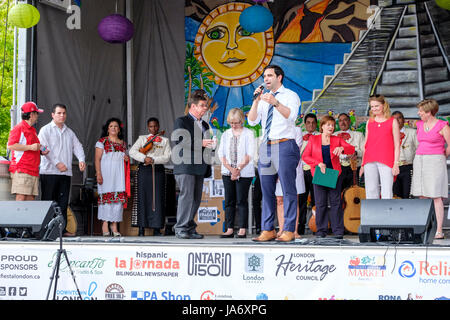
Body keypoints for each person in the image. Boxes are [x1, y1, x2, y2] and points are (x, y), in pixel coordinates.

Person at [248, 65, 301, 242]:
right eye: (264, 76)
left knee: (288, 190)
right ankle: (268, 229)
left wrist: (275, 102)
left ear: (279, 77)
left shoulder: (290, 96)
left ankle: (288, 230)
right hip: (266, 146)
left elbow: (292, 116)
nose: (266, 79)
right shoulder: (262, 98)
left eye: (270, 75)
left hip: (285, 144)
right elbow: (252, 121)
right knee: (267, 190)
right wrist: (256, 100)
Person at [302, 115, 355, 238]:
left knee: (336, 203)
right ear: (322, 127)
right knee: (320, 204)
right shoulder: (313, 139)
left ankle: (338, 231)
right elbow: (305, 156)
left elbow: (351, 149)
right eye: (328, 125)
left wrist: (342, 147)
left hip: (334, 174)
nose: (331, 127)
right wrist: (317, 163)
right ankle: (321, 231)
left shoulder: (337, 139)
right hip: (320, 173)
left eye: (332, 125)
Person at [38, 103, 86, 237]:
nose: (62, 115)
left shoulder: (69, 132)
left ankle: (61, 230)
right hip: (49, 172)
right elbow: (43, 149)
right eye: (59, 113)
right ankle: (46, 230)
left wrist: (81, 159)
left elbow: (78, 146)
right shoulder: (45, 130)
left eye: (64, 113)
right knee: (48, 202)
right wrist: (57, 163)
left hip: (65, 173)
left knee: (63, 203)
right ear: (52, 115)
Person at [172, 89, 214, 239]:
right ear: (193, 106)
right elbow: (180, 140)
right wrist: (201, 142)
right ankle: (180, 227)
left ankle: (189, 227)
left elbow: (205, 146)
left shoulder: (205, 125)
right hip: (185, 165)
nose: (205, 108)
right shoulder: (182, 121)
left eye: (205, 105)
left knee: (196, 199)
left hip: (200, 166)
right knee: (187, 196)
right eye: (202, 105)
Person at [411, 99, 450, 240]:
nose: (418, 113)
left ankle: (439, 230)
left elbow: (449, 145)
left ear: (429, 112)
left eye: (421, 111)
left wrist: (440, 155)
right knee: (422, 195)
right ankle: (425, 227)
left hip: (435, 160)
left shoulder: (442, 125)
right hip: (420, 159)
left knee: (436, 195)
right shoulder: (419, 124)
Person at [129, 117, 171, 236]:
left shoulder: (164, 140)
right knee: (142, 199)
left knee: (157, 199)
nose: (154, 128)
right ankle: (141, 228)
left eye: (156, 126)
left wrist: (153, 159)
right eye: (151, 126)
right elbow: (132, 152)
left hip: (158, 170)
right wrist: (144, 158)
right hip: (144, 170)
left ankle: (157, 228)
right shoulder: (142, 139)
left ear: (158, 126)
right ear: (148, 127)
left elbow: (167, 157)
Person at [217, 108, 255, 238]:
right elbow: (221, 154)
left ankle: (242, 229)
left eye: (236, 123)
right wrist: (231, 169)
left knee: (241, 200)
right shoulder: (226, 134)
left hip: (244, 173)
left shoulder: (248, 133)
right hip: (227, 172)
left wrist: (238, 169)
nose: (234, 125)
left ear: (242, 121)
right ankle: (229, 228)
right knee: (229, 201)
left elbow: (249, 154)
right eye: (231, 123)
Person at [360, 95, 400, 199]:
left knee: (387, 191)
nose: (374, 109)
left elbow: (397, 145)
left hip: (386, 160)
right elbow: (366, 144)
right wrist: (363, 165)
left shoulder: (392, 121)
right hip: (369, 160)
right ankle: (373, 215)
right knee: (370, 191)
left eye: (376, 106)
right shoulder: (370, 122)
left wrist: (396, 164)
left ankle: (387, 215)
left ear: (383, 105)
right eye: (372, 106)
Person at [95, 118, 129, 237]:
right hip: (106, 174)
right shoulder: (102, 142)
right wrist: (98, 173)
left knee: (117, 201)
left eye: (116, 126)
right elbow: (97, 159)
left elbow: (124, 159)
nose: (113, 128)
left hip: (118, 175)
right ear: (107, 129)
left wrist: (126, 159)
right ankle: (105, 224)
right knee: (105, 200)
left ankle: (114, 225)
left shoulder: (123, 144)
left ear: (119, 129)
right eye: (111, 126)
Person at [7, 102, 48, 201]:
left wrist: (41, 151)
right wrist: (31, 147)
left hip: (32, 170)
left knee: (30, 200)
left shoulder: (32, 130)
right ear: (31, 115)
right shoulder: (19, 128)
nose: (38, 116)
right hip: (22, 168)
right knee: (21, 197)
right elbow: (11, 145)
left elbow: (34, 147)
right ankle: (17, 217)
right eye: (37, 113)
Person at [275, 125, 305, 239]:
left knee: (293, 198)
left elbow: (296, 149)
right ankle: (282, 229)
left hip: (293, 167)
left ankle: (293, 230)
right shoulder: (275, 129)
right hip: (277, 167)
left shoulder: (296, 130)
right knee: (279, 200)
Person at [298, 113, 319, 234]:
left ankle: (317, 227)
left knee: (316, 200)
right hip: (301, 171)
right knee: (301, 200)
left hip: (316, 171)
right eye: (308, 123)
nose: (311, 125)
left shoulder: (321, 136)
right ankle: (300, 227)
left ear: (316, 124)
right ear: (305, 124)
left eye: (313, 123)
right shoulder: (300, 136)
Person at [334, 113, 365, 190]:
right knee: (337, 194)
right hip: (338, 170)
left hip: (354, 169)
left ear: (349, 121)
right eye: (340, 120)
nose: (342, 122)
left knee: (354, 195)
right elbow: (331, 153)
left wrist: (356, 153)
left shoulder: (359, 135)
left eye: (345, 120)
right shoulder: (334, 135)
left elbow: (365, 152)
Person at [392, 111, 418, 199]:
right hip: (394, 169)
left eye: (399, 118)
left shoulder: (412, 132)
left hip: (408, 168)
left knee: (408, 195)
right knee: (395, 196)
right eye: (394, 119)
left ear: (403, 120)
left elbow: (419, 149)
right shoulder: (388, 134)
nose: (397, 120)